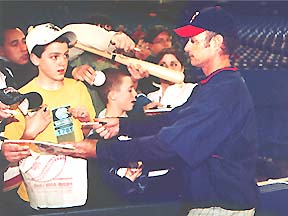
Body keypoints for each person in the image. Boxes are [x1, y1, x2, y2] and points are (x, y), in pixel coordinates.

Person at [61, 6, 259, 216]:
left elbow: (168, 145)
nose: (186, 47)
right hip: (212, 202)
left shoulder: (223, 91)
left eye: (193, 41)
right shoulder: (213, 85)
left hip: (222, 207)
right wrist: (122, 125)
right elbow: (173, 118)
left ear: (217, 42)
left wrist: (99, 150)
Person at [3, 23, 96, 211]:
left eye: (65, 55)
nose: (62, 63)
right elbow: (11, 152)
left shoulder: (78, 88)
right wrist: (30, 133)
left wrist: (86, 122)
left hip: (73, 189)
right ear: (35, 58)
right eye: (54, 56)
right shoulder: (21, 98)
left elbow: (87, 136)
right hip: (35, 192)